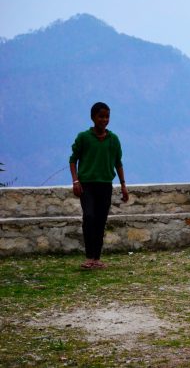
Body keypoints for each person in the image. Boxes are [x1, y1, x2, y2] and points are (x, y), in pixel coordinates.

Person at [69, 102, 129, 270]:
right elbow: (73, 160)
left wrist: (123, 185)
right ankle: (89, 257)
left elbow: (118, 163)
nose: (104, 119)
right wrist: (75, 181)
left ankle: (97, 258)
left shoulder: (113, 139)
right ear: (93, 117)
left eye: (107, 116)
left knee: (101, 220)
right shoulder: (83, 137)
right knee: (89, 217)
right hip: (86, 185)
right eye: (101, 116)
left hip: (105, 185)